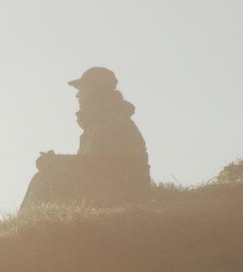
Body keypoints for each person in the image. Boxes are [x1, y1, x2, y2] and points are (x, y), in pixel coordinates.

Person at [21, 67, 153, 209]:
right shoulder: (100, 122)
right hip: (113, 188)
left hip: (123, 195)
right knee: (44, 175)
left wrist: (56, 161)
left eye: (81, 89)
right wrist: (55, 161)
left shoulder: (111, 122)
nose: (77, 95)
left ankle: (29, 229)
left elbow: (96, 165)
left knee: (46, 178)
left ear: (95, 90)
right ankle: (32, 227)